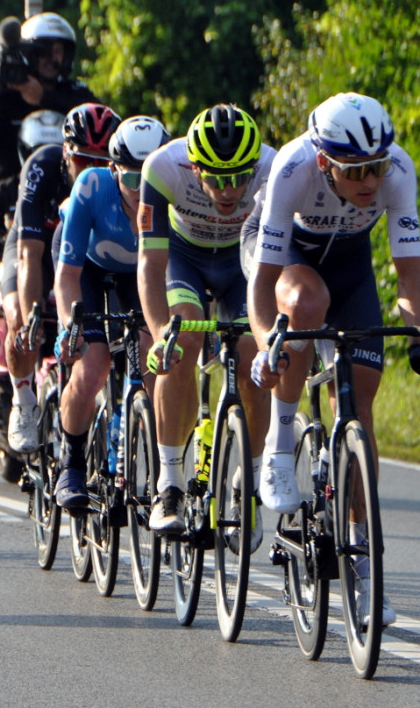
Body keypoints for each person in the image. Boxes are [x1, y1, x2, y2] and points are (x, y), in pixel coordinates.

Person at [244, 92, 420, 624]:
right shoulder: (291, 168)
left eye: (377, 167)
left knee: (357, 397)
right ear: (323, 162)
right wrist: (271, 341)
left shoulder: (399, 171)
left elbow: (410, 278)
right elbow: (263, 287)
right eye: (357, 170)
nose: (371, 181)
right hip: (288, 256)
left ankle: (365, 569)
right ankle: (279, 440)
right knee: (306, 306)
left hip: (350, 263)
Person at [137, 104, 276, 549]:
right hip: (186, 259)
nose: (230, 190)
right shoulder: (162, 168)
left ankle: (247, 486)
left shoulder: (275, 170)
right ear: (193, 167)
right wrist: (160, 333)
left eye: (240, 177)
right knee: (182, 340)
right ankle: (171, 485)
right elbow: (150, 262)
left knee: (254, 356)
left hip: (243, 263)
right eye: (216, 179)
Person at [0, 11, 99, 400]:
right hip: (4, 192)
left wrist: (44, 98)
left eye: (61, 52)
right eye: (46, 52)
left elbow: (98, 121)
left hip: (61, 196)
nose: (55, 60)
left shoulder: (74, 95)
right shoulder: (6, 92)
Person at [0, 102, 121, 453]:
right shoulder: (42, 167)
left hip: (86, 257)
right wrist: (31, 317)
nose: (92, 170)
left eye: (101, 161)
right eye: (82, 160)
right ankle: (24, 400)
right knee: (20, 322)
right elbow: (29, 253)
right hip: (35, 248)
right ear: (65, 153)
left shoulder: (120, 182)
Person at [51, 116, 170, 508]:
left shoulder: (174, 195)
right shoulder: (91, 186)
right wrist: (72, 327)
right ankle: (70, 463)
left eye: (149, 180)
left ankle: (158, 467)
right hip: (86, 267)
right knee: (92, 365)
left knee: (154, 361)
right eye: (132, 180)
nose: (141, 192)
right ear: (113, 168)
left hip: (137, 275)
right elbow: (67, 276)